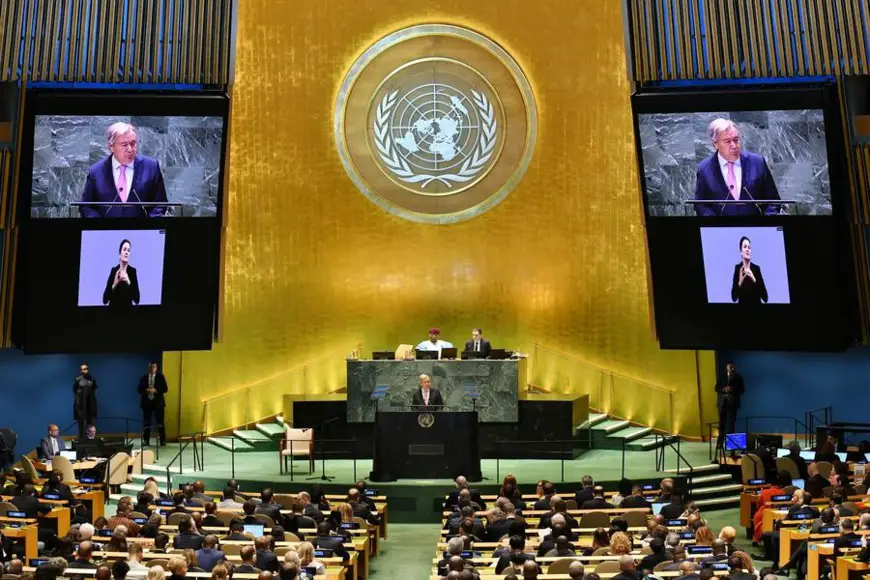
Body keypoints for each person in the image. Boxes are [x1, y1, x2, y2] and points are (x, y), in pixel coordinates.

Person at [693, 118, 781, 217]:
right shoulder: (704, 169)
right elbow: (701, 205)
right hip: (722, 230)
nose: (734, 145)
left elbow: (773, 201)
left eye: (736, 140)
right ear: (715, 144)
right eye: (727, 141)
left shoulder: (757, 162)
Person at [80, 122, 168, 218]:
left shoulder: (151, 167)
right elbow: (86, 206)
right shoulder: (96, 171)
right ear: (111, 147)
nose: (130, 149)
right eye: (124, 145)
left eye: (133, 143)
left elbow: (160, 204)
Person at [103, 239, 141, 309]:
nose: (127, 252)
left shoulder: (132, 271)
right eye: (124, 249)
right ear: (119, 254)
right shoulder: (114, 271)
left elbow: (137, 300)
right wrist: (114, 284)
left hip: (128, 314)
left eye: (128, 250)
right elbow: (105, 300)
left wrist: (128, 281)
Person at [715, 362, 745, 451]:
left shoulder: (738, 378)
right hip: (723, 404)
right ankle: (719, 444)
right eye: (730, 367)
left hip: (733, 405)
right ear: (727, 368)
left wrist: (732, 389)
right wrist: (723, 390)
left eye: (733, 367)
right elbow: (716, 388)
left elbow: (742, 390)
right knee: (722, 425)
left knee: (731, 425)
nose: (732, 369)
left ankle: (731, 446)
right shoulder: (722, 377)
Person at [730, 237, 768, 304]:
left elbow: (765, 298)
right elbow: (734, 298)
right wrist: (740, 281)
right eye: (745, 247)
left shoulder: (756, 269)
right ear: (741, 251)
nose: (747, 249)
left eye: (749, 247)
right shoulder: (738, 269)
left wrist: (753, 278)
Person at [138, 362, 168, 446]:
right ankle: (146, 440)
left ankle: (163, 440)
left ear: (156, 368)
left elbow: (165, 389)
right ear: (148, 368)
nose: (152, 368)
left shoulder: (161, 377)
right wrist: (146, 390)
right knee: (146, 422)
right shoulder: (143, 378)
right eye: (150, 367)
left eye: (154, 367)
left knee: (160, 422)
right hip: (147, 403)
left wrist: (156, 390)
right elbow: (139, 389)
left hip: (158, 402)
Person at [73, 363, 98, 439]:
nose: (83, 371)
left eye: (85, 369)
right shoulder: (78, 379)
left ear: (88, 369)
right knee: (81, 425)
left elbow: (94, 390)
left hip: (90, 405)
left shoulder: (92, 379)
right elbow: (74, 390)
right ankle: (81, 440)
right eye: (82, 369)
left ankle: (90, 440)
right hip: (80, 405)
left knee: (90, 424)